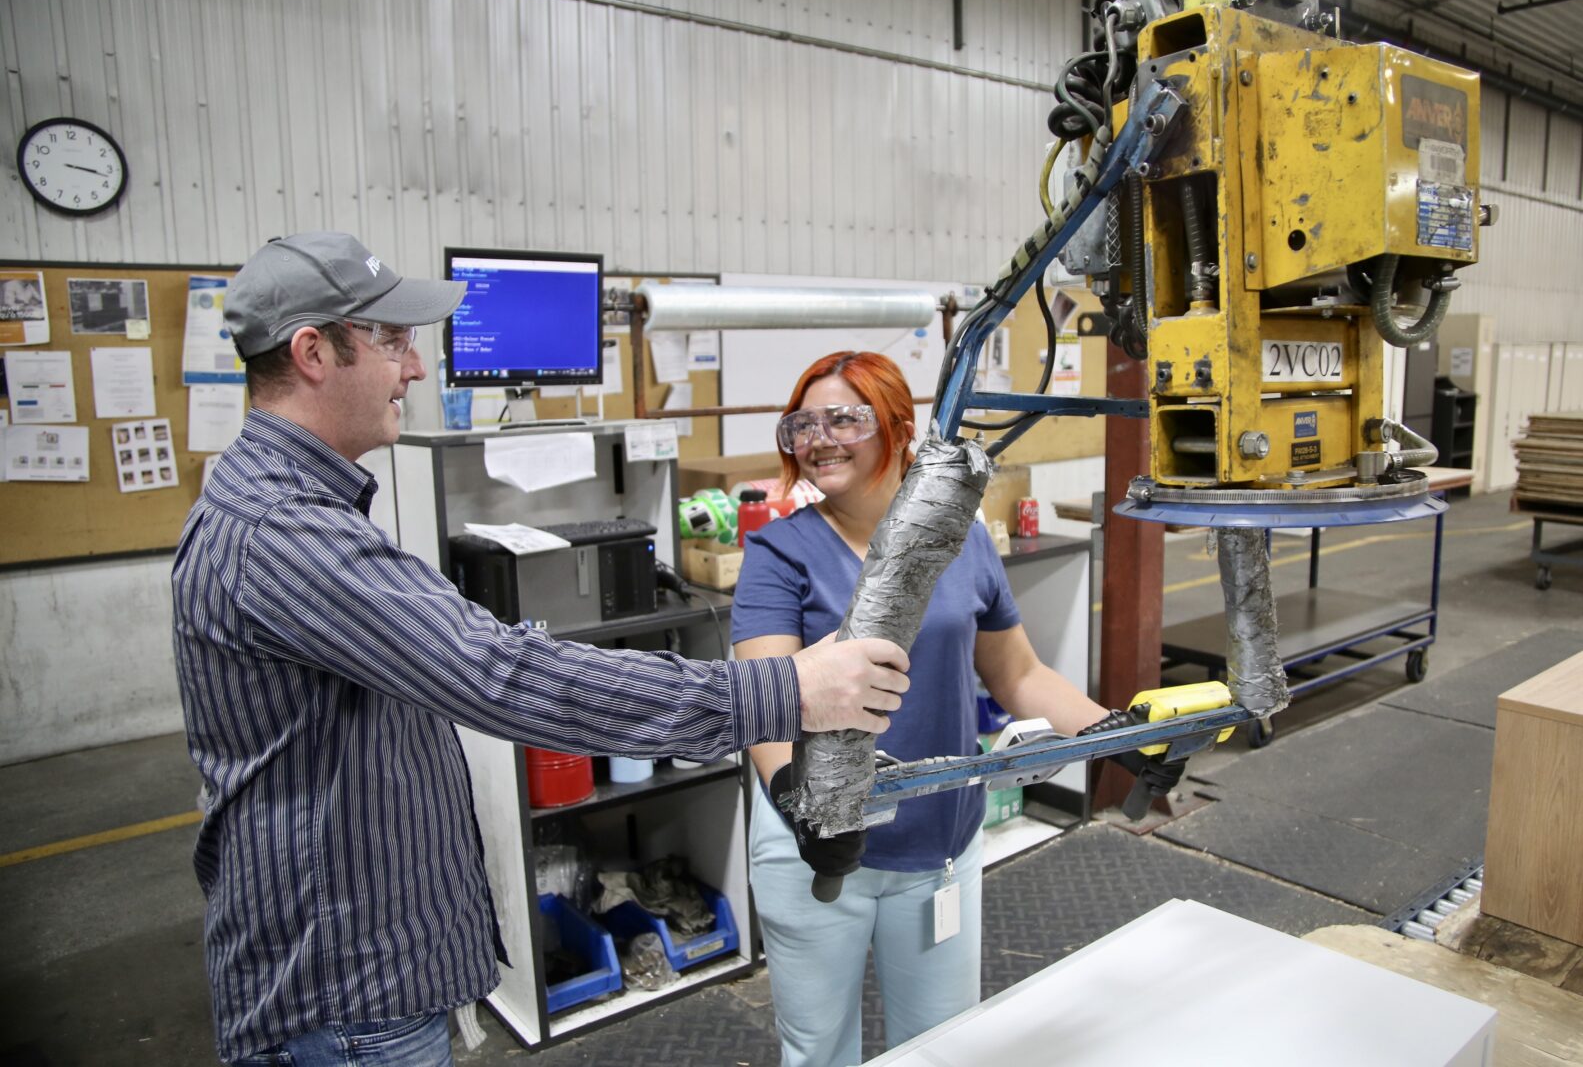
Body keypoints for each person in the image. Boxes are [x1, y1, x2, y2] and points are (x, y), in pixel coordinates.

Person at [172, 234, 911, 1066]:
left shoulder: (301, 505)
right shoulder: (284, 530)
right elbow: (500, 673)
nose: (414, 369)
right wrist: (783, 691)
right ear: (313, 351)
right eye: (391, 341)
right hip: (344, 993)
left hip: (357, 971)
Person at [732, 351, 1184, 1066]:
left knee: (944, 1043)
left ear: (896, 427)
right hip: (812, 842)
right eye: (802, 425)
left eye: (842, 419)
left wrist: (1110, 735)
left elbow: (1019, 674)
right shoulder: (780, 553)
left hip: (935, 838)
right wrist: (800, 805)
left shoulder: (963, 540)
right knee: (817, 1048)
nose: (818, 439)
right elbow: (765, 704)